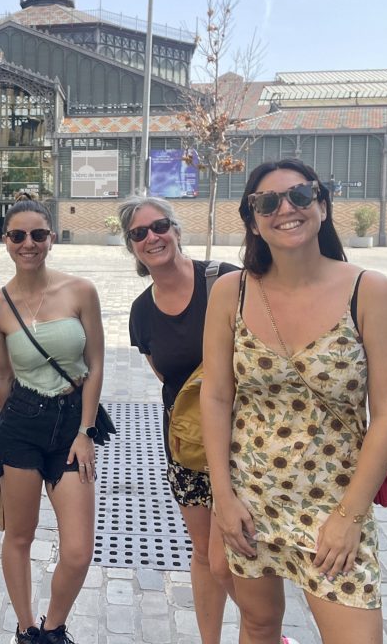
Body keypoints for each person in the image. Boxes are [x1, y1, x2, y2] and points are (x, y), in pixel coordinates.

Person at [201, 159, 387, 644]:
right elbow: (214, 397)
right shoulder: (230, 293)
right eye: (267, 202)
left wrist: (349, 516)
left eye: (299, 195)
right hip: (251, 496)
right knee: (257, 624)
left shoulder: (369, 291)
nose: (285, 209)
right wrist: (223, 498)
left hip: (334, 502)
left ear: (321, 204)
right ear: (252, 219)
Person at [0, 199, 104, 644]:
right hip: (22, 426)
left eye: (38, 234)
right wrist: (13, 420)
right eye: (18, 235)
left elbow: (96, 361)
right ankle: (27, 628)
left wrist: (86, 430)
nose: (28, 244)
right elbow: (0, 374)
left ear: (52, 237)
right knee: (19, 535)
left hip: (73, 424)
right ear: (5, 241)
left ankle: (54, 627)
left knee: (77, 549)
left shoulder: (80, 291)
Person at [119, 195, 241, 644]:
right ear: (131, 246)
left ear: (176, 229)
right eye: (139, 233)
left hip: (245, 443)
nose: (152, 237)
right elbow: (169, 380)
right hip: (188, 447)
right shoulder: (141, 312)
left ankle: (263, 630)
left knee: (233, 555)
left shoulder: (225, 280)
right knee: (206, 555)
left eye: (160, 226)